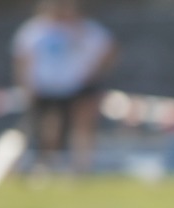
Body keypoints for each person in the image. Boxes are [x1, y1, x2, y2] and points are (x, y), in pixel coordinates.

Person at [12, 0, 116, 174]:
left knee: (81, 127)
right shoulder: (35, 29)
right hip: (44, 87)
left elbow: (108, 49)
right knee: (43, 128)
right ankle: (43, 165)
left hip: (77, 86)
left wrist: (93, 73)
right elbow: (22, 58)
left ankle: (80, 167)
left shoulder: (85, 29)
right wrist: (26, 84)